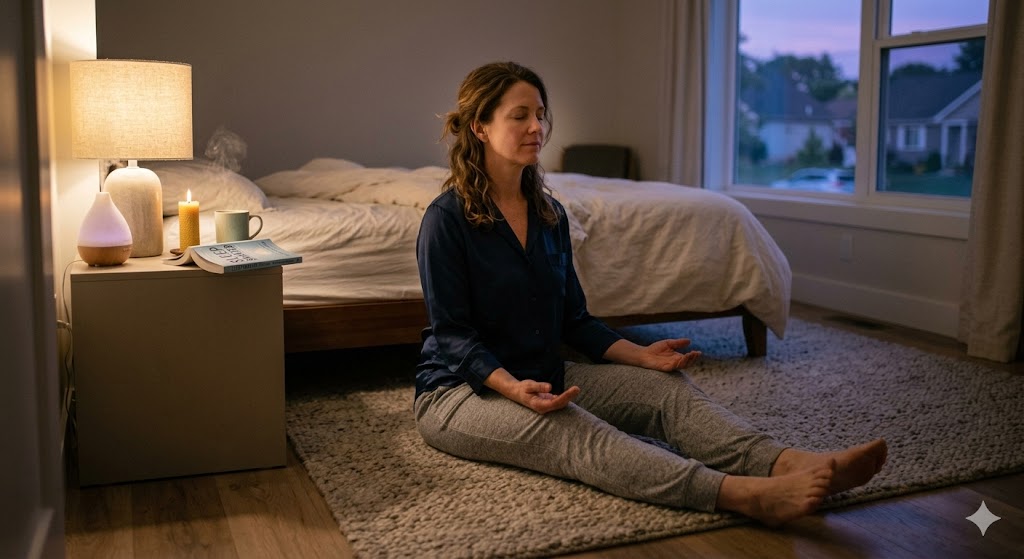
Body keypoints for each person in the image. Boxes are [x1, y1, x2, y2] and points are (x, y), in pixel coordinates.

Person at [413, 61, 887, 526]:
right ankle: (742, 496)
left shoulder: (548, 214)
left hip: (543, 372)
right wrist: (512, 388)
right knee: (572, 431)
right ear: (479, 126)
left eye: (540, 114)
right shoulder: (446, 220)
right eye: (520, 115)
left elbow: (574, 320)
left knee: (665, 392)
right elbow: (454, 337)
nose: (536, 126)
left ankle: (786, 464)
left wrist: (640, 356)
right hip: (459, 393)